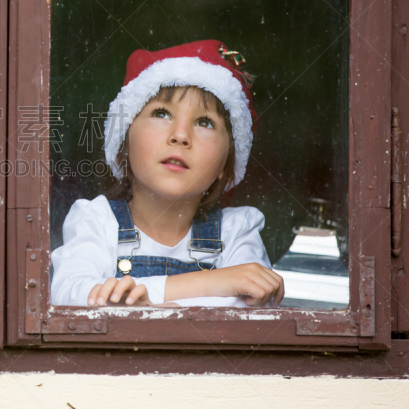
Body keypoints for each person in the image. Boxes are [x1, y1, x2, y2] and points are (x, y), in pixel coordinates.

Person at [50, 40, 284, 308]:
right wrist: (214, 282)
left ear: (225, 166)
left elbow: (249, 304)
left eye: (204, 122)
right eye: (162, 113)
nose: (181, 136)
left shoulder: (235, 231)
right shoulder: (96, 221)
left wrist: (146, 302)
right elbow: (71, 296)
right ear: (122, 143)